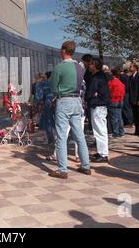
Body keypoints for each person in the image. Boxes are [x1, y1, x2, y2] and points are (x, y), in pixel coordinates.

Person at [49, 41, 91, 179]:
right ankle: (86, 166)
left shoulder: (59, 67)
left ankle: (62, 169)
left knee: (61, 135)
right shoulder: (80, 68)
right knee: (79, 135)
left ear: (63, 50)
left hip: (64, 101)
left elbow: (54, 88)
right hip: (77, 101)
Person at [86, 58, 111, 162]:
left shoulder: (97, 77)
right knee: (99, 130)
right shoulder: (101, 76)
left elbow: (91, 91)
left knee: (100, 130)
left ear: (95, 65)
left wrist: (87, 98)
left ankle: (103, 154)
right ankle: (101, 151)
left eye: (91, 64)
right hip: (100, 105)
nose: (89, 66)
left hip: (98, 106)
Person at [108, 68, 126, 138]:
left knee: (114, 118)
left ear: (113, 74)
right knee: (119, 117)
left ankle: (116, 133)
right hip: (120, 101)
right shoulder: (121, 83)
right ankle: (121, 132)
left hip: (113, 101)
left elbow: (109, 92)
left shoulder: (111, 83)